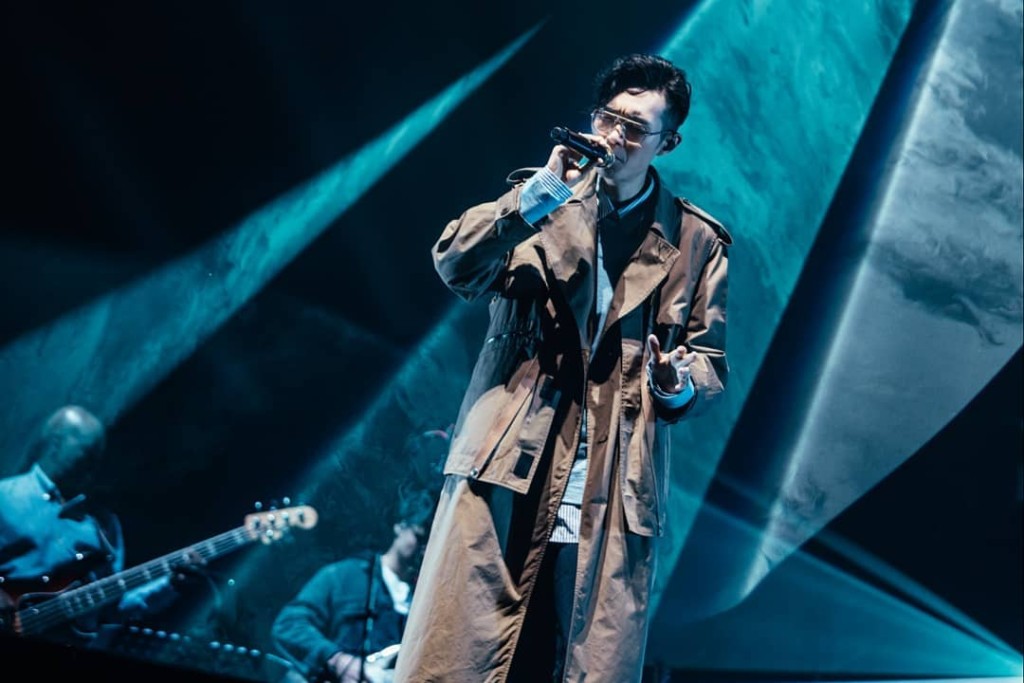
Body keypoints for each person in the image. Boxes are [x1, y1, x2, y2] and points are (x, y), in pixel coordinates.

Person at [393, 53, 731, 682]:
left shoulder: (694, 241)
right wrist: (537, 196)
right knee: (464, 657)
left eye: (636, 128)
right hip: (508, 461)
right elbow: (455, 262)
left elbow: (709, 365)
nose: (615, 136)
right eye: (608, 118)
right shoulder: (541, 198)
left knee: (581, 662)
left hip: (612, 484)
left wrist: (676, 384)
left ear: (667, 143)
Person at [0, 405, 187, 644]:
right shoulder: (5, 497)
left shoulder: (105, 527)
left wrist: (170, 584)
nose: (94, 465)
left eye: (97, 457)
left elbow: (113, 607)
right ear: (56, 443)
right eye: (88, 453)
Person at [271, 487, 437, 683]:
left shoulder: (428, 601)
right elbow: (289, 625)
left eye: (432, 543)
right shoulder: (344, 576)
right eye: (420, 537)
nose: (424, 550)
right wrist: (338, 661)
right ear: (400, 525)